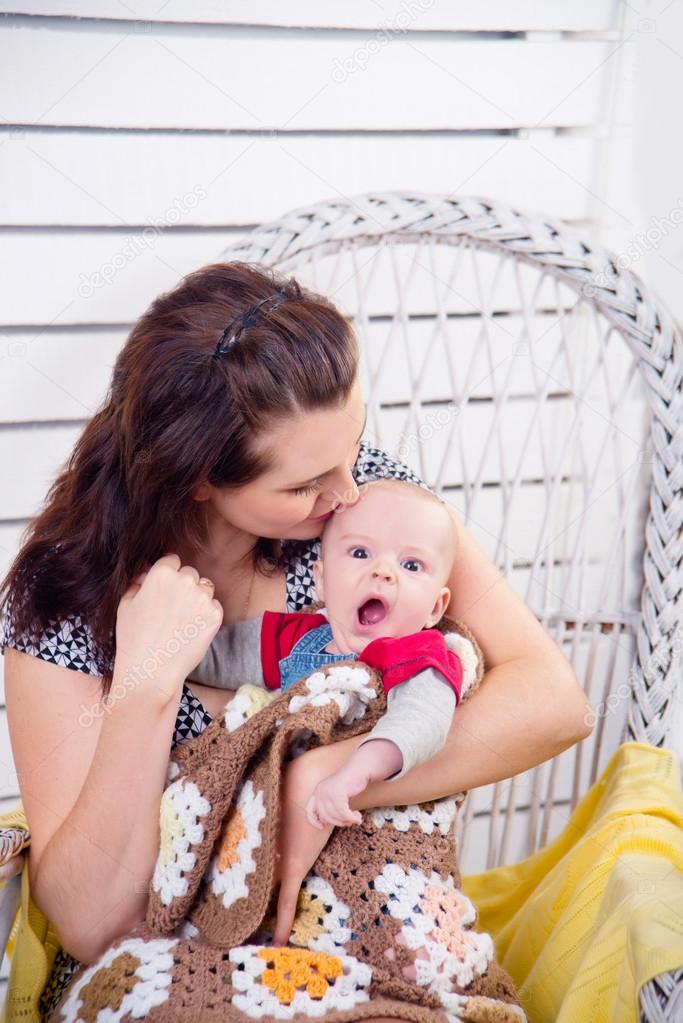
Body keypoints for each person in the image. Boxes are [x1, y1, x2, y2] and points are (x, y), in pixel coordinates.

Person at [0, 262, 593, 1019]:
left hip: (371, 916)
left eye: (354, 444)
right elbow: (90, 923)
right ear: (199, 479)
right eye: (306, 483)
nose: (346, 493)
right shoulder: (64, 593)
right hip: (178, 954)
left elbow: (552, 701)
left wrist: (313, 778)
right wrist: (145, 687)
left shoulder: (367, 510)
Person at [188, 476, 464, 833]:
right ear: (322, 578)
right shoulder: (299, 638)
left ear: (435, 608)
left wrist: (356, 772)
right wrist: (160, 643)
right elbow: (216, 658)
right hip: (282, 818)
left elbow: (424, 718)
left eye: (411, 565)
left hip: (370, 825)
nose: (383, 572)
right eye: (360, 553)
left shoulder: (419, 655)